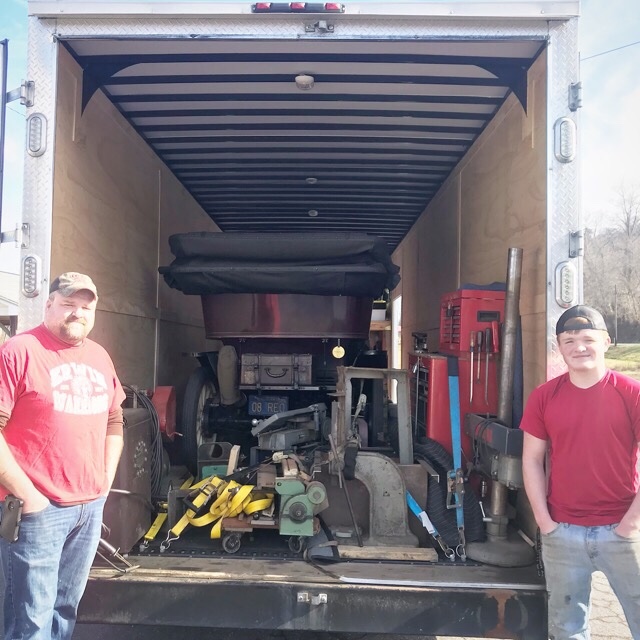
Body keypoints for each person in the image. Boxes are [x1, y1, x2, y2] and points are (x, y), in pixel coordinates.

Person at [0, 272, 125, 640]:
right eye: (69, 304)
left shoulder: (100, 357)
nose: (78, 313)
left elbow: (115, 421)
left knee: (64, 613)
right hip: (37, 511)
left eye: (86, 307)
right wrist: (29, 497)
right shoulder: (19, 351)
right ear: (49, 304)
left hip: (87, 510)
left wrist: (104, 483)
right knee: (31, 623)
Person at [521, 304, 640, 640]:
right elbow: (531, 460)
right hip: (563, 532)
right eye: (569, 340)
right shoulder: (544, 397)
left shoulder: (631, 393)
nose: (579, 347)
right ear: (559, 347)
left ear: (606, 342)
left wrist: (631, 523)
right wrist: (546, 524)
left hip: (622, 530)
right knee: (567, 628)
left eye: (588, 338)